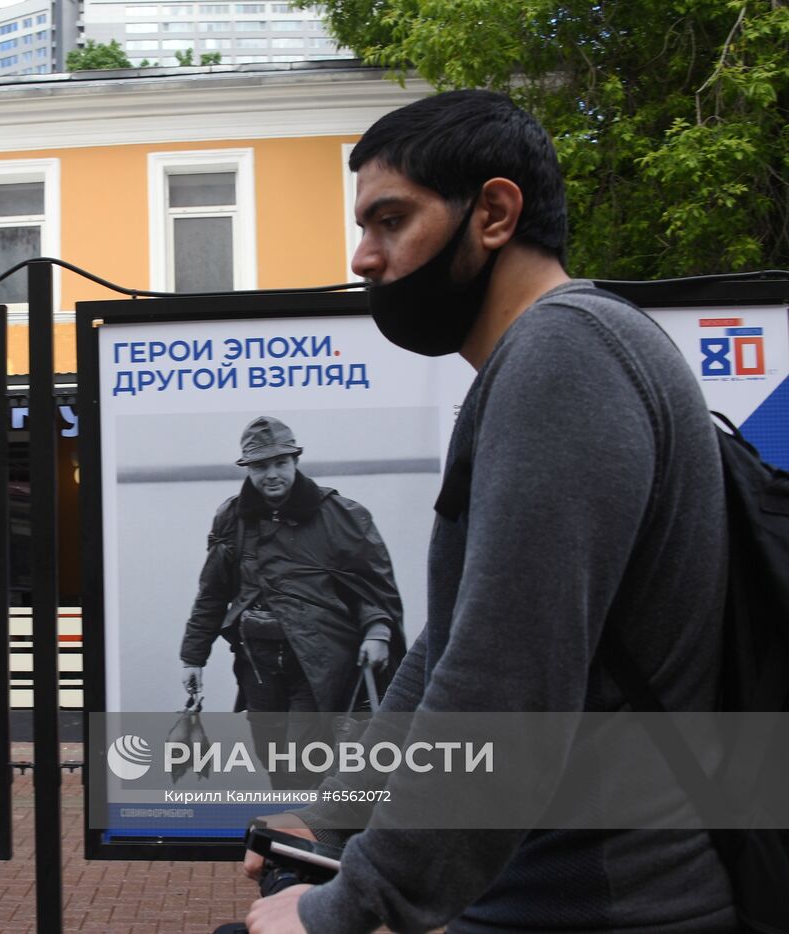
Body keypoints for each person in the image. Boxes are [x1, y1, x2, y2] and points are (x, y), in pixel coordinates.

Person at [240, 90, 733, 933]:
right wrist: (334, 820)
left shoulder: (564, 357)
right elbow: (448, 650)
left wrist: (346, 909)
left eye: (391, 220)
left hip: (602, 902)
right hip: (560, 888)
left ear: (495, 213)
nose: (364, 257)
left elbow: (503, 685)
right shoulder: (550, 357)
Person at [180, 415, 404, 788]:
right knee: (272, 759)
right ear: (249, 469)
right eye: (261, 465)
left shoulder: (340, 516)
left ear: (295, 461)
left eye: (280, 463)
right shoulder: (231, 519)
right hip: (257, 663)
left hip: (318, 662)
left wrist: (378, 632)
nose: (272, 474)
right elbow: (213, 592)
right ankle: (293, 839)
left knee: (307, 762)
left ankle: (314, 841)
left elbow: (369, 587)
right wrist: (193, 657)